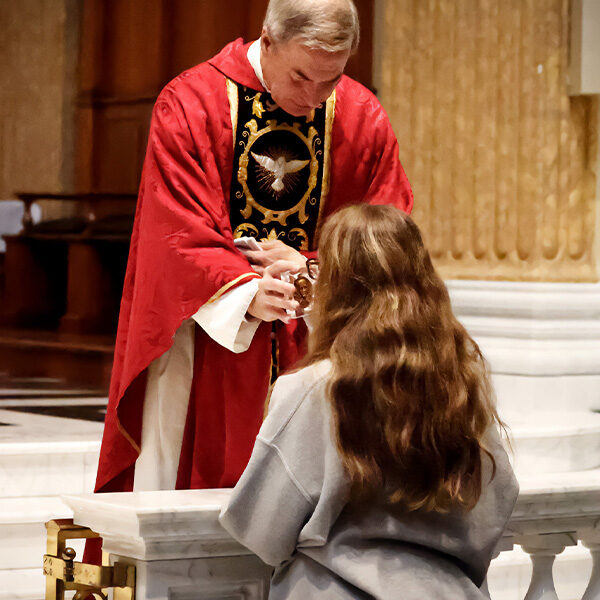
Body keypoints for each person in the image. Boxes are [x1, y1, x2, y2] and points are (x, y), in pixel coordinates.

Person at [92, 0, 413, 507]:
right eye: (301, 76)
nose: (313, 99)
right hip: (212, 338)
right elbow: (174, 228)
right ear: (267, 40)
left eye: (331, 79)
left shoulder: (360, 114)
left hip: (322, 342)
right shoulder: (192, 102)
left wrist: (313, 271)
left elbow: (389, 232)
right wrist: (244, 290)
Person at [220, 204, 519, 600]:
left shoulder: (314, 389)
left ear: (337, 288)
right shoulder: (459, 384)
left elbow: (260, 529)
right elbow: (498, 500)